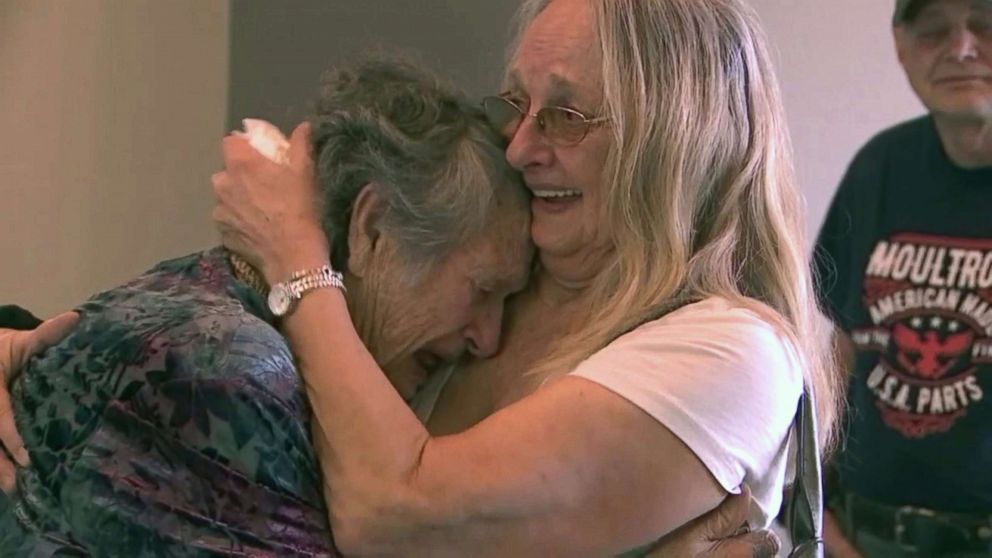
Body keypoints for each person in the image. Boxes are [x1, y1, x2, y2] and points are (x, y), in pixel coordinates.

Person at [212, 0, 842, 555]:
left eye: (566, 115)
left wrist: (294, 253)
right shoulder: (508, 279)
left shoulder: (733, 350)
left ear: (678, 139)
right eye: (518, 104)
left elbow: (399, 520)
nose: (518, 149)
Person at [0, 60, 533, 556]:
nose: (488, 339)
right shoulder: (228, 365)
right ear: (371, 230)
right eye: (482, 290)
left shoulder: (212, 299)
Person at [814, 0, 992, 556]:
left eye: (986, 25)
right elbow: (837, 355)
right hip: (864, 535)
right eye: (933, 31)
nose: (960, 49)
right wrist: (821, 515)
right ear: (900, 47)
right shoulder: (877, 167)